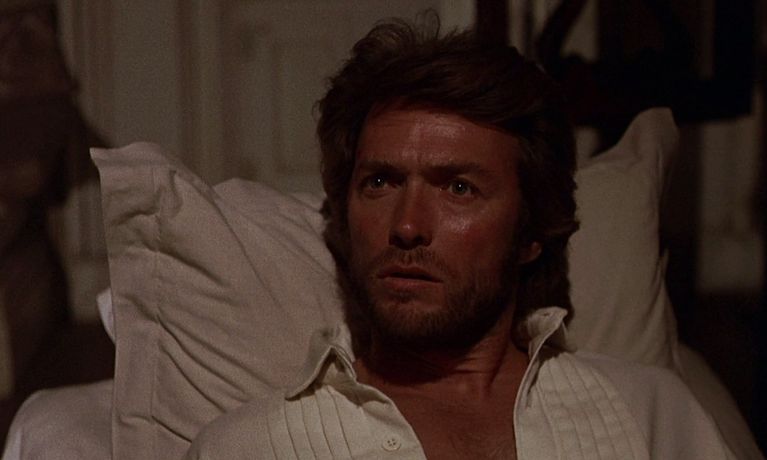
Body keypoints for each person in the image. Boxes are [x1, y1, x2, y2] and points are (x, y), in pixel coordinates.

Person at [186, 17, 734, 459]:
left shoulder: (649, 413)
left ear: (531, 232)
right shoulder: (247, 447)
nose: (406, 226)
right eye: (380, 182)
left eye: (459, 188)